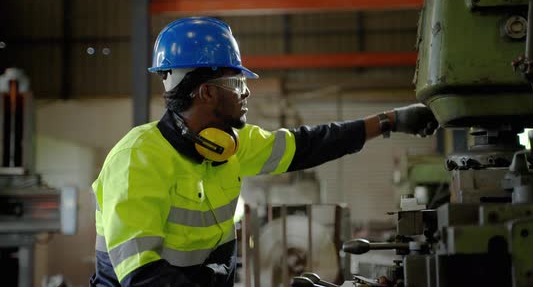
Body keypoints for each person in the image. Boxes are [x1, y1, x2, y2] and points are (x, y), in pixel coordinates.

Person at [90, 17, 438, 287]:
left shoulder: (229, 147)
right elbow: (144, 278)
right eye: (237, 83)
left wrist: (389, 121)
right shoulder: (138, 159)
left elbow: (309, 144)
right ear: (207, 92)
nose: (246, 94)